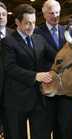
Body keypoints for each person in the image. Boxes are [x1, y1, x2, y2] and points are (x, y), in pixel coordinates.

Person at [2, 4, 55, 139]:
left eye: (33, 22)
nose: (31, 26)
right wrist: (35, 76)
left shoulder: (39, 39)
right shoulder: (8, 42)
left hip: (39, 98)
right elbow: (10, 67)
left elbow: (55, 56)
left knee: (42, 134)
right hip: (16, 99)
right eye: (27, 23)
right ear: (17, 22)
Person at [35, 0, 72, 139]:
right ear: (44, 14)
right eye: (51, 13)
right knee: (47, 125)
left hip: (66, 89)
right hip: (48, 86)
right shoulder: (36, 32)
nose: (55, 16)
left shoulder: (68, 31)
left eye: (57, 13)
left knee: (65, 127)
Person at [0, 1, 13, 135]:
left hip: (11, 92)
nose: (1, 17)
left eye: (4, 14)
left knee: (11, 129)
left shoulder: (15, 35)